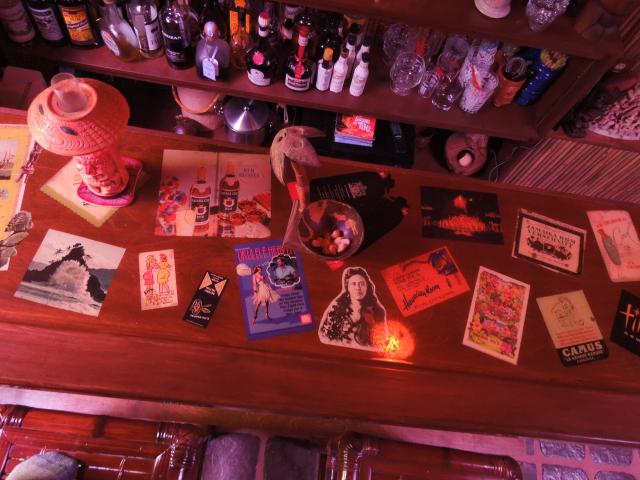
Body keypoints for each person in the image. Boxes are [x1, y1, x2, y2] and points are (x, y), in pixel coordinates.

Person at [319, 267, 386, 349]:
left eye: (362, 284)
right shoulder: (336, 309)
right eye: (353, 284)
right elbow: (324, 337)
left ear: (367, 287)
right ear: (347, 287)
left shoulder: (377, 311)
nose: (358, 288)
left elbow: (380, 343)